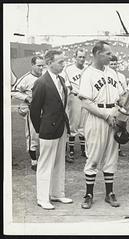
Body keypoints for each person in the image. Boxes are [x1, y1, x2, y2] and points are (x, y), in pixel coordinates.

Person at [78, 41, 125, 209]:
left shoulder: (112, 72)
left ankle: (109, 193)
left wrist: (123, 108)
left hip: (113, 115)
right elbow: (85, 102)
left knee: (112, 156)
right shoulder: (88, 74)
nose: (110, 56)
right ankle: (89, 194)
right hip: (97, 117)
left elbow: (120, 96)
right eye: (107, 54)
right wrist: (106, 115)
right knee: (94, 156)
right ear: (97, 53)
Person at [30, 50, 73, 210]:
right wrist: (41, 128)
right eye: (60, 62)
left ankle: (57, 193)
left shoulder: (61, 79)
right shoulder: (41, 82)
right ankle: (42, 198)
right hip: (48, 129)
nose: (63, 64)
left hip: (61, 127)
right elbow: (34, 110)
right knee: (45, 164)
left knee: (59, 162)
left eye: (63, 61)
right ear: (49, 63)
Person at [11, 55, 44, 171]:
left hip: (46, 111)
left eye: (42, 65)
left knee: (45, 136)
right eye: (39, 65)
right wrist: (26, 98)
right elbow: (13, 91)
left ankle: (44, 160)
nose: (41, 68)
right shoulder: (26, 78)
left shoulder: (45, 75)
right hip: (32, 110)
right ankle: (34, 162)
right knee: (33, 136)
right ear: (33, 65)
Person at [62, 48, 88, 163]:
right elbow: (67, 85)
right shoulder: (68, 69)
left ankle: (83, 150)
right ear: (75, 57)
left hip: (85, 99)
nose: (82, 59)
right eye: (80, 57)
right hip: (75, 98)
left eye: (83, 57)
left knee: (84, 124)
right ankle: (71, 150)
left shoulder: (88, 69)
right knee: (73, 124)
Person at [109, 55, 128, 157]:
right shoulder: (107, 74)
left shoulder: (121, 76)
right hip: (111, 104)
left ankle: (118, 148)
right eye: (111, 64)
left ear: (117, 64)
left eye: (115, 64)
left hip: (120, 104)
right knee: (111, 126)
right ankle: (110, 148)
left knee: (120, 126)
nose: (113, 65)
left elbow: (124, 91)